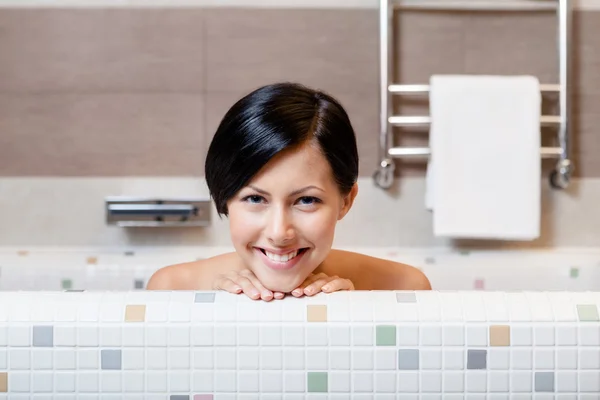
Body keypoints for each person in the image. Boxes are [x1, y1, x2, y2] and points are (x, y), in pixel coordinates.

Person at [147, 82, 431, 300]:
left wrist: (353, 319)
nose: (279, 233)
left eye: (306, 200)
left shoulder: (403, 290)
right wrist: (216, 313)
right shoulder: (173, 291)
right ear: (225, 197)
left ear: (346, 201)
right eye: (255, 198)